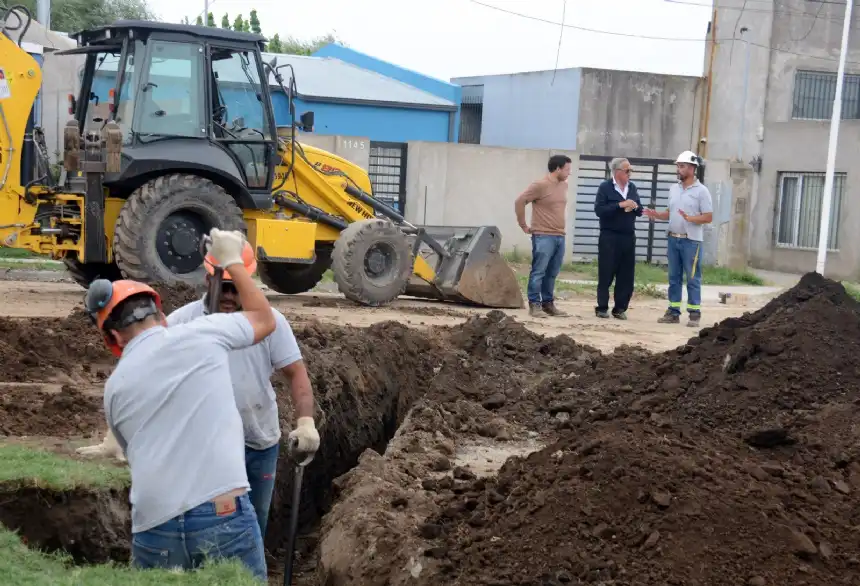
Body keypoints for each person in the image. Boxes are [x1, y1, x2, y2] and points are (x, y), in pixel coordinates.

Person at [81, 229, 273, 581]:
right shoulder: (203, 333)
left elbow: (132, 450)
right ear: (161, 314)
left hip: (155, 526)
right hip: (222, 512)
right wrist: (233, 262)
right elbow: (264, 320)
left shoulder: (114, 389)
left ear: (112, 338)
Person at [165, 245, 319, 543]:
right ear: (208, 280)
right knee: (206, 528)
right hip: (203, 449)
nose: (229, 296)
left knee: (252, 526)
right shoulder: (182, 324)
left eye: (237, 289)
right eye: (223, 287)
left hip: (257, 443)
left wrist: (305, 421)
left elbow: (296, 372)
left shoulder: (269, 323)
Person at [643, 150, 713, 327]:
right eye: (678, 166)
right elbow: (670, 213)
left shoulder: (701, 191)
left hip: (691, 241)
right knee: (674, 277)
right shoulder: (673, 189)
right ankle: (673, 312)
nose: (679, 169)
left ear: (692, 168)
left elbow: (708, 217)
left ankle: (694, 314)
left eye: (682, 166)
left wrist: (691, 219)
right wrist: (657, 215)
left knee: (692, 278)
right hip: (673, 239)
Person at [514, 154, 573, 319]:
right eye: (567, 169)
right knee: (539, 271)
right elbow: (519, 201)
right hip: (543, 235)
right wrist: (523, 225)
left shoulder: (564, 186)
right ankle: (534, 304)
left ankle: (548, 304)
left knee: (552, 272)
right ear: (558, 168)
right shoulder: (540, 185)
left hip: (560, 235)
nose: (569, 173)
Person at [593, 157, 642, 320]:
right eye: (627, 170)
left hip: (628, 236)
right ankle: (602, 307)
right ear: (617, 171)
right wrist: (620, 205)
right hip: (609, 236)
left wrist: (635, 207)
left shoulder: (632, 187)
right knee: (606, 271)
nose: (630, 174)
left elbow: (640, 209)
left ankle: (620, 308)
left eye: (631, 170)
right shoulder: (605, 187)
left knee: (626, 274)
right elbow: (599, 210)